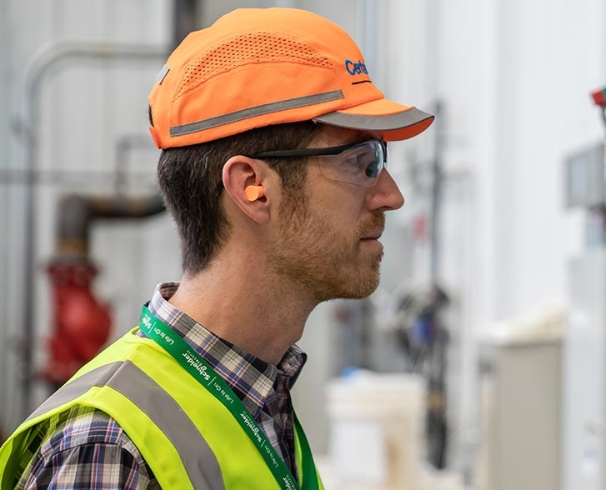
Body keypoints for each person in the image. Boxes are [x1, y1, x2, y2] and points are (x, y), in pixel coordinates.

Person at [0, 7, 432, 489]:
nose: (391, 195)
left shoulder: (260, 397)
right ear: (252, 188)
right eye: (361, 161)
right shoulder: (109, 448)